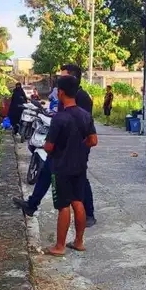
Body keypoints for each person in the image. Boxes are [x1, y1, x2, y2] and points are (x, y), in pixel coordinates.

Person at [14, 64, 96, 226]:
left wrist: (78, 146)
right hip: (61, 148)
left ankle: (89, 214)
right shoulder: (63, 97)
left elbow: (85, 126)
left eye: (63, 76)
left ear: (72, 78)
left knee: (79, 182)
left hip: (74, 148)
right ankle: (32, 204)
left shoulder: (82, 97)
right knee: (46, 172)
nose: (60, 80)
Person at [43, 75, 98, 256]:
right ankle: (79, 242)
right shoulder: (85, 115)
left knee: (64, 205)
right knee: (78, 202)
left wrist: (48, 148)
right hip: (80, 165)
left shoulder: (59, 118)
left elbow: (49, 146)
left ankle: (60, 246)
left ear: (61, 92)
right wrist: (80, 147)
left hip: (61, 167)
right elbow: (93, 140)